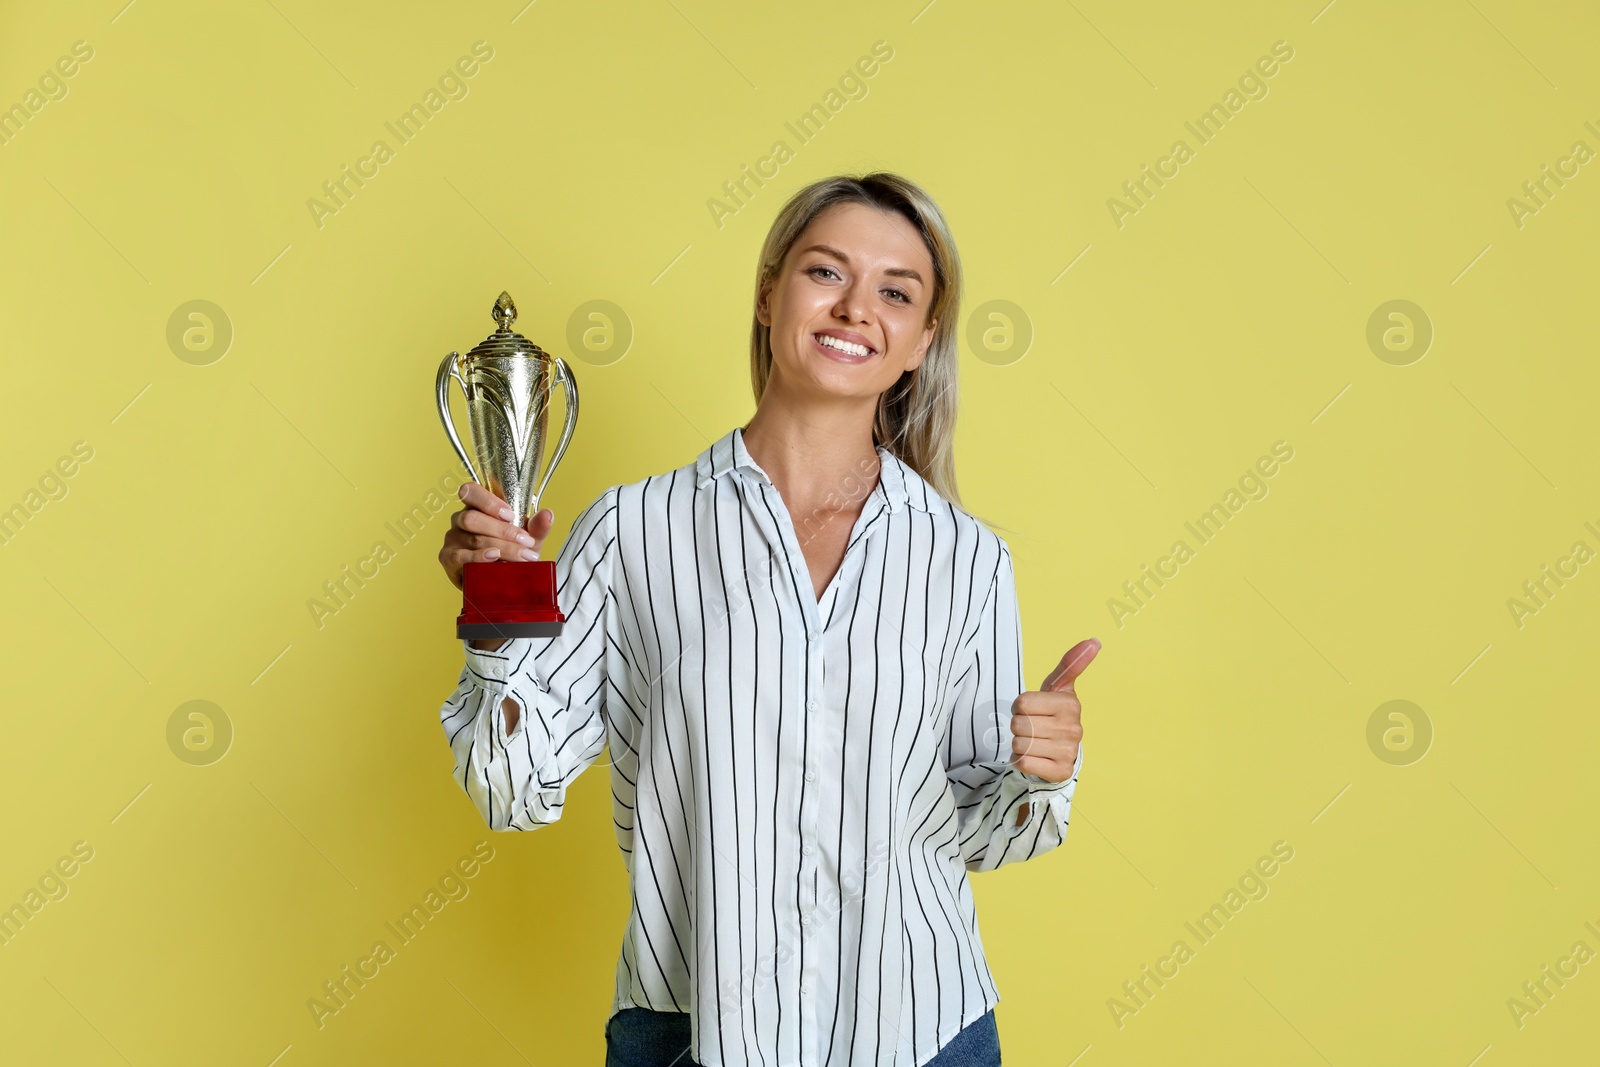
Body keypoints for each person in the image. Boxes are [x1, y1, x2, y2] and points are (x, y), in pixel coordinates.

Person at [436, 172, 1099, 1067]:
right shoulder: (635, 531)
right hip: (690, 1033)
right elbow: (512, 794)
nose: (858, 307)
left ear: (920, 341)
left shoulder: (965, 558)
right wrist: (496, 615)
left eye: (895, 292)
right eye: (827, 272)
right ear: (769, 292)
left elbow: (976, 832)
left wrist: (1040, 773)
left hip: (922, 1031)